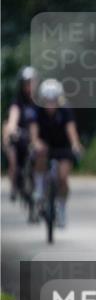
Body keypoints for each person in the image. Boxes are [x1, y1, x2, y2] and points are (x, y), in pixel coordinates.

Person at [29, 79, 83, 227]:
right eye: (48, 100)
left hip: (63, 147)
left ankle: (62, 208)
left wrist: (75, 144)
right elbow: (34, 131)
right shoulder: (37, 110)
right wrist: (35, 142)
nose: (50, 103)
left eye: (53, 100)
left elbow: (70, 129)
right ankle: (39, 190)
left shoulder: (65, 110)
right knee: (40, 151)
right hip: (45, 146)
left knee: (63, 178)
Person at [3, 67, 38, 203]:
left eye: (32, 83)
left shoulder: (40, 101)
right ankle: (14, 185)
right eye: (27, 84)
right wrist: (12, 129)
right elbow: (13, 118)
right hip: (20, 136)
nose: (30, 87)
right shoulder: (18, 102)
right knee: (13, 159)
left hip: (35, 138)